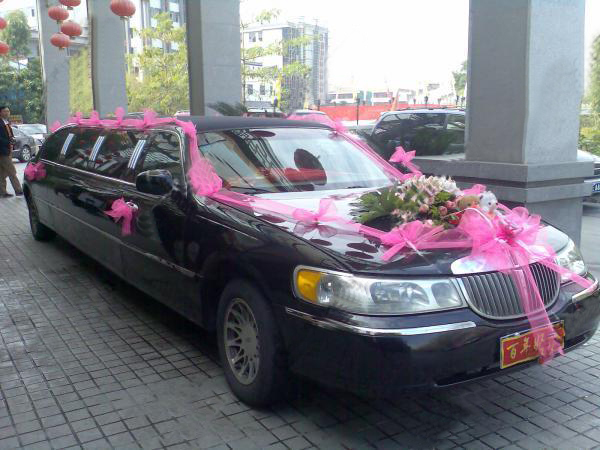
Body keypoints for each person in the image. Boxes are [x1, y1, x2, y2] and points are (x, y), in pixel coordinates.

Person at [0, 106, 23, 198]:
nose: (7, 113)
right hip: (2, 151)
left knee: (2, 173)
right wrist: (8, 141)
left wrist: (12, 139)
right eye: (5, 111)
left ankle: (2, 192)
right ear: (0, 112)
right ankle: (19, 190)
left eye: (8, 111)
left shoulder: (6, 122)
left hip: (7, 150)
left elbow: (9, 135)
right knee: (12, 171)